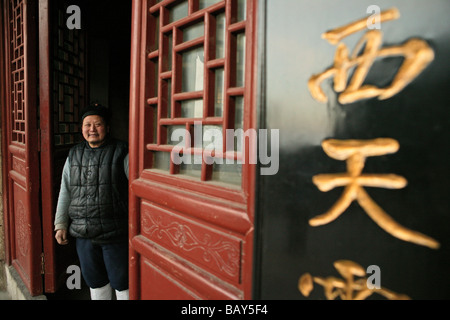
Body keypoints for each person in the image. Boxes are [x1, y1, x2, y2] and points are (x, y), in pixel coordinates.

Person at [54, 104, 130, 300]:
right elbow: (66, 190)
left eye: (98, 124)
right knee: (95, 282)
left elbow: (134, 189)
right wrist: (60, 224)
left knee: (122, 283)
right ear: (82, 128)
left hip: (115, 233)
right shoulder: (74, 154)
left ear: (108, 127)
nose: (92, 129)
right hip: (84, 233)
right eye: (87, 124)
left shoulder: (122, 151)